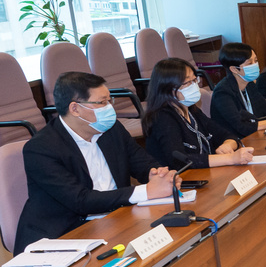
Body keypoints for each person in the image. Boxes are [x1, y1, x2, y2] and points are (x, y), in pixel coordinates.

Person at [14, 72, 177, 254]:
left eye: (109, 100)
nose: (109, 108)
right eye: (102, 103)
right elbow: (81, 200)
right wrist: (147, 191)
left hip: (116, 219)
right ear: (75, 109)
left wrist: (158, 175)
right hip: (64, 235)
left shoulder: (112, 129)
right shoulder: (41, 149)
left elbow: (142, 162)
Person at [143, 58, 255, 170]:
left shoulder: (192, 111)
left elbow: (227, 135)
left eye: (194, 80)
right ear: (168, 88)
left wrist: (228, 145)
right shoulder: (162, 118)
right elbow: (180, 161)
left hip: (205, 172)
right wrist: (230, 158)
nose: (194, 85)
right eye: (188, 82)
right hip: (181, 178)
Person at [209, 42, 266, 139]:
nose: (255, 65)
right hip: (234, 141)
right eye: (250, 63)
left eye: (256, 60)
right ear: (234, 69)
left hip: (254, 136)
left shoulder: (249, 85)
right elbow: (242, 127)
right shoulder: (222, 92)